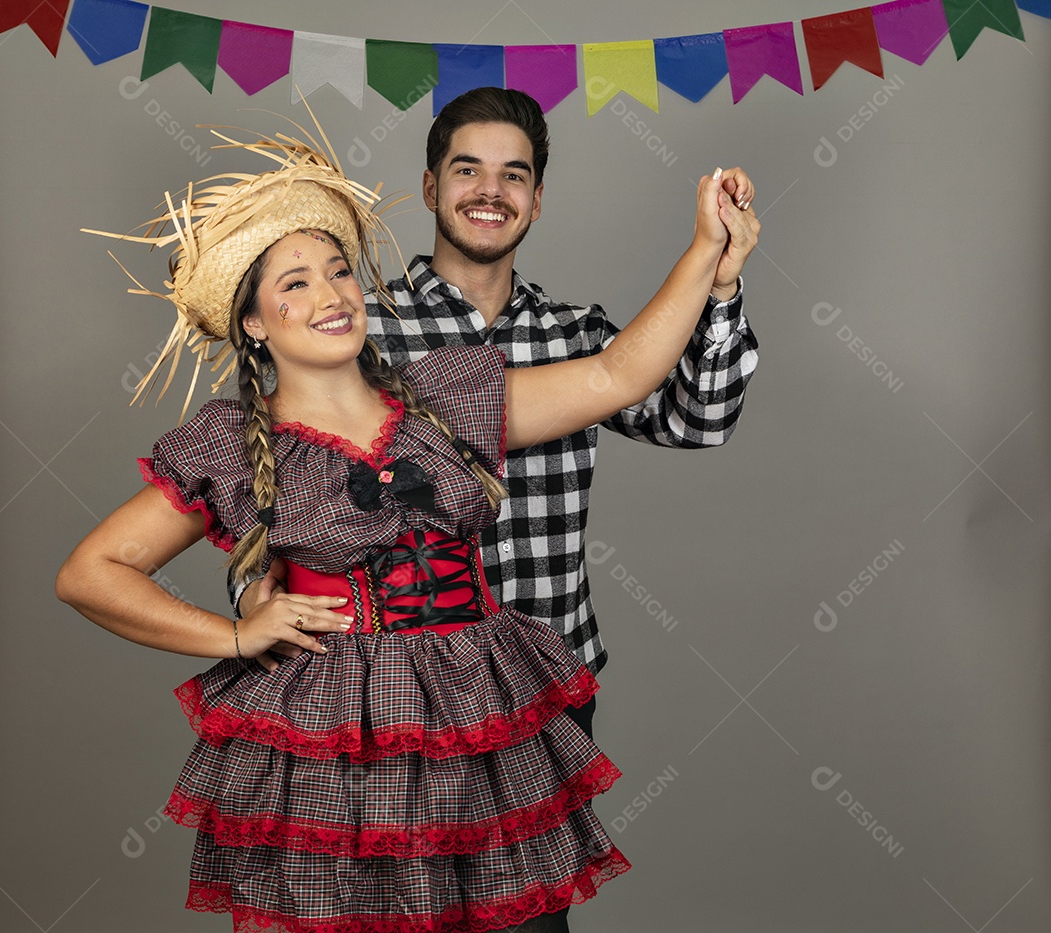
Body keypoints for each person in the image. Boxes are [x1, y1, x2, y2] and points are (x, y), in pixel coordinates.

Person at [57, 115, 757, 933]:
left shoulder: (449, 394)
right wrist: (237, 635)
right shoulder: (229, 442)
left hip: (483, 711)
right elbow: (90, 572)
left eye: (338, 271)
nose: (331, 295)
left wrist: (708, 250)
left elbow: (619, 370)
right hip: (336, 734)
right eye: (295, 285)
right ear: (254, 322)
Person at [236, 89, 761, 747]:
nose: (491, 191)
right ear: (430, 187)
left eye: (514, 174)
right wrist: (254, 594)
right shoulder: (358, 332)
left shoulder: (580, 336)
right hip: (400, 695)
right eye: (468, 170)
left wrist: (721, 285)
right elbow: (275, 493)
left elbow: (701, 419)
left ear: (536, 200)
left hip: (552, 686)